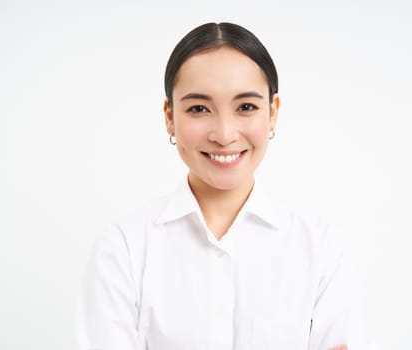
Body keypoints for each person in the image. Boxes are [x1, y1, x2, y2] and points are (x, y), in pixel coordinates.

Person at [76, 22, 369, 350]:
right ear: (169, 116)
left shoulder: (320, 250)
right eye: (199, 108)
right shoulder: (123, 250)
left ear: (272, 113)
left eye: (246, 107)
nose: (224, 133)